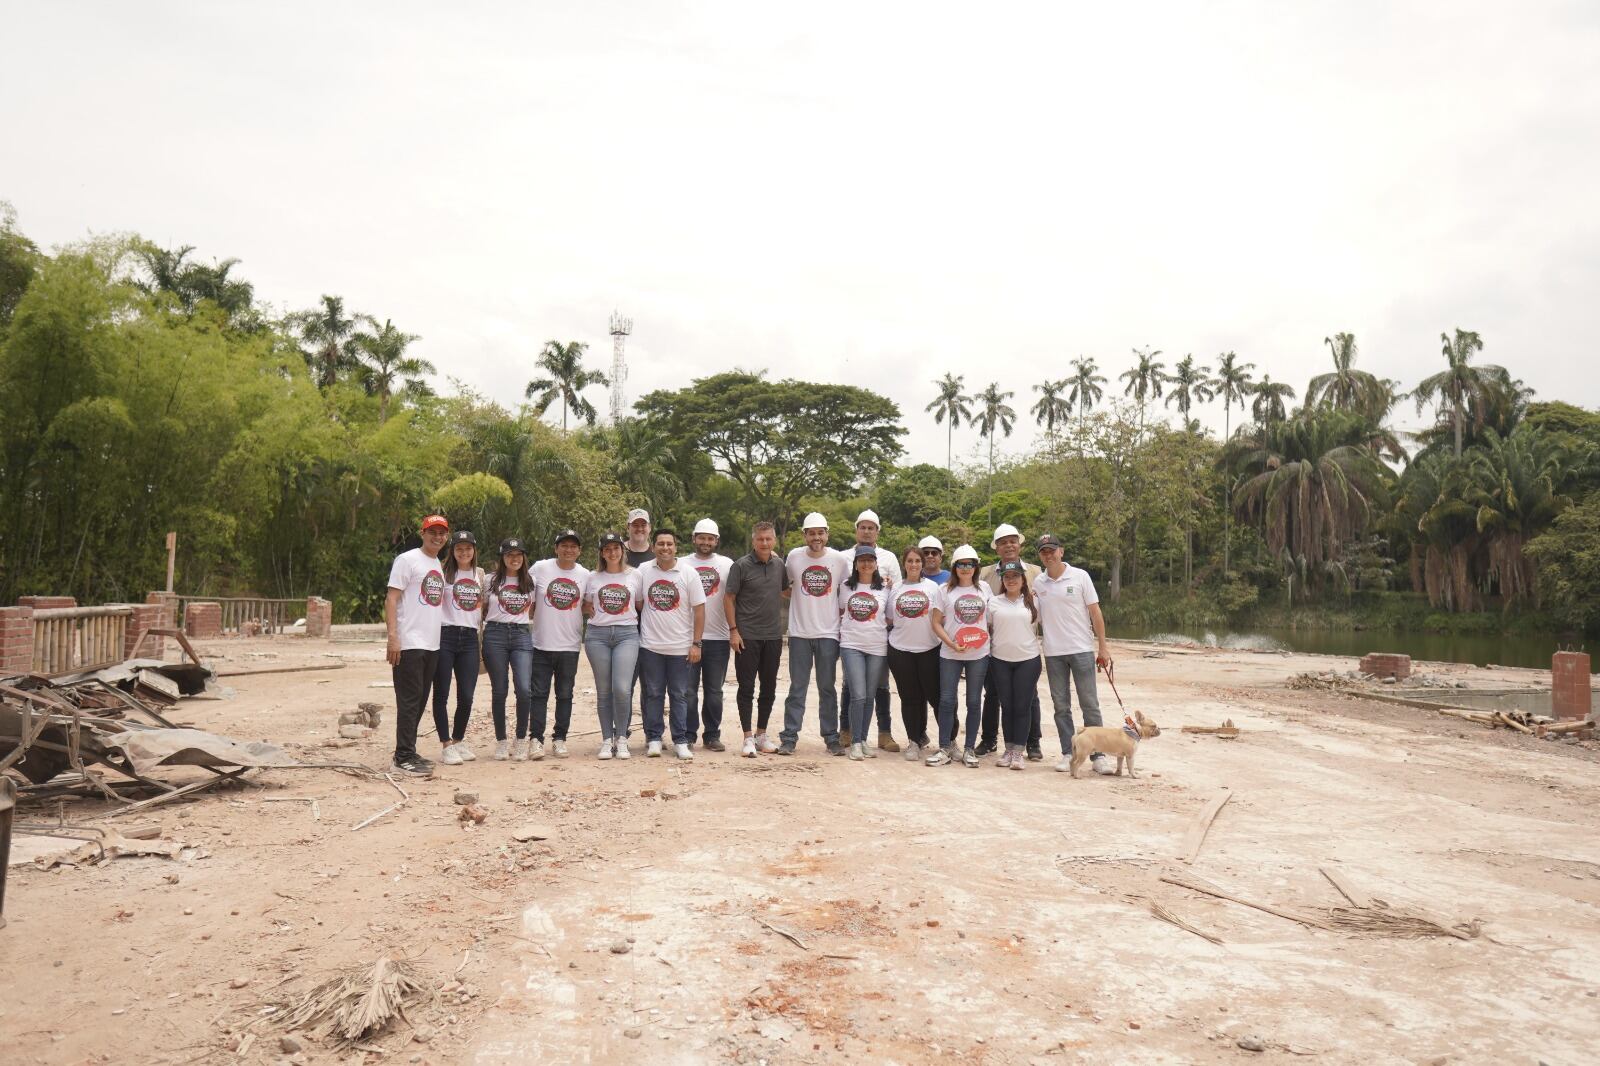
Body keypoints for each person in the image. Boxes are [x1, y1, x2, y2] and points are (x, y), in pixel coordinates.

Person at [1033, 532, 1116, 775]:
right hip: (1053, 652)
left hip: (1081, 649)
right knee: (1061, 707)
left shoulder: (1080, 576)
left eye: (1052, 550)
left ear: (1061, 551)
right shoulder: (1039, 583)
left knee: (1090, 704)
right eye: (1043, 551)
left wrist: (1103, 647)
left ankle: (1098, 756)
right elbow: (1034, 617)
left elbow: (1095, 613)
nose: (1048, 555)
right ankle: (1068, 753)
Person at [777, 512, 849, 757]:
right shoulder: (794, 558)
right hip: (799, 633)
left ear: (827, 533)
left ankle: (831, 738)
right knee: (797, 687)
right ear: (804, 535)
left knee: (827, 687)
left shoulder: (838, 560)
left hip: (829, 633)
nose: (816, 537)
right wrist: (799, 599)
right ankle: (789, 738)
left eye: (820, 532)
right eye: (811, 533)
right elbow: (784, 588)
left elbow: (849, 590)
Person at [385, 514, 450, 777]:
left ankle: (408, 751)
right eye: (432, 532)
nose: (437, 537)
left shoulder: (436, 563)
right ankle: (402, 758)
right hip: (409, 642)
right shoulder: (407, 559)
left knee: (420, 699)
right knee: (409, 700)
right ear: (422, 533)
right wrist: (393, 637)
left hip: (431, 644)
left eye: (442, 533)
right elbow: (391, 599)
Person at [636, 529, 706, 759]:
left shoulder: (688, 574)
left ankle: (680, 740)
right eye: (660, 544)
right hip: (650, 646)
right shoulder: (644, 571)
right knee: (653, 694)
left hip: (680, 647)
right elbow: (637, 602)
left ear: (676, 547)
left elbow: (699, 610)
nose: (665, 548)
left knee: (679, 695)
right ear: (653, 547)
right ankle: (654, 738)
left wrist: (696, 643)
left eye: (669, 544)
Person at [977, 523, 1044, 761]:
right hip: (996, 651)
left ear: (1020, 543)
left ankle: (1032, 742)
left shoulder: (1036, 573)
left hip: (1025, 651)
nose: (1009, 545)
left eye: (1012, 540)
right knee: (993, 695)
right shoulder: (984, 574)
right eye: (1003, 542)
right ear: (996, 548)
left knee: (1028, 698)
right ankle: (989, 740)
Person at [724, 521, 789, 757]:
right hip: (747, 637)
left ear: (774, 540)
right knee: (746, 688)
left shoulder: (779, 565)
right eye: (760, 539)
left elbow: (785, 590)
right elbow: (729, 598)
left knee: (769, 688)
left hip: (772, 636)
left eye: (768, 539)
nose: (764, 543)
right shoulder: (740, 566)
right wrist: (733, 630)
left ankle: (762, 735)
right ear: (753, 541)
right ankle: (748, 738)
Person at [840, 509, 900, 752]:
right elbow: (839, 606)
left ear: (877, 531)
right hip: (852, 639)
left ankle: (883, 733)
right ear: (856, 529)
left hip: (878, 639)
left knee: (879, 687)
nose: (866, 531)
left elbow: (895, 591)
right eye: (862, 527)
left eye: (871, 527)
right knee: (852, 688)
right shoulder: (842, 557)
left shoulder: (889, 558)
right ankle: (848, 731)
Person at [928, 544, 992, 767]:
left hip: (979, 654)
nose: (966, 568)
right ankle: (945, 747)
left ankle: (969, 750)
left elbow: (991, 620)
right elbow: (935, 623)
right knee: (946, 701)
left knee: (974, 702)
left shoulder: (984, 588)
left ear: (976, 566)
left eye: (970, 564)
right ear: (954, 567)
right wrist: (951, 644)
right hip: (950, 653)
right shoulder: (944, 590)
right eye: (961, 564)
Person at [528, 529, 589, 760]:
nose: (568, 549)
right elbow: (528, 598)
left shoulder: (585, 574)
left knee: (565, 694)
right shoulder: (540, 568)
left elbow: (587, 604)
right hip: (541, 643)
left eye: (573, 546)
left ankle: (560, 739)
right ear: (556, 548)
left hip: (570, 645)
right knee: (539, 694)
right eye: (564, 545)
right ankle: (536, 739)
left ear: (579, 550)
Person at [583, 532, 642, 760]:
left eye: (616, 548)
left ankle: (622, 738)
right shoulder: (593, 577)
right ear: (601, 553)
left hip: (627, 634)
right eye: (607, 549)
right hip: (598, 635)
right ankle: (607, 739)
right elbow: (586, 605)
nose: (612, 552)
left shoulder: (634, 575)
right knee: (604, 690)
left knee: (622, 688)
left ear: (622, 550)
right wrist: (594, 612)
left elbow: (640, 604)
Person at [432, 529, 484, 767]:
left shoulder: (480, 574)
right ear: (452, 551)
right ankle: (445, 744)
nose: (464, 552)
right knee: (441, 693)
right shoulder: (442, 573)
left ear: (474, 551)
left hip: (470, 638)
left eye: (468, 548)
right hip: (446, 635)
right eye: (459, 548)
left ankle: (458, 739)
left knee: (467, 695)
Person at [886, 543, 942, 761]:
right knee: (909, 698)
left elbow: (940, 618)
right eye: (910, 560)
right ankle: (914, 741)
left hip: (929, 648)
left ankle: (949, 741)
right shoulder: (896, 588)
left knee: (935, 697)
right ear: (904, 563)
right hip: (900, 650)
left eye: (917, 560)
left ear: (923, 563)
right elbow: (890, 618)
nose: (914, 564)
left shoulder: (932, 588)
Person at [483, 537, 536, 760]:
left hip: (522, 634)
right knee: (499, 690)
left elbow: (532, 611)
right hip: (495, 634)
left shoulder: (530, 582)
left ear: (523, 557)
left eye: (518, 555)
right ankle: (502, 740)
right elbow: (482, 608)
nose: (514, 559)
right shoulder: (490, 580)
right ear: (502, 558)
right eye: (509, 555)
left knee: (524, 689)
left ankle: (521, 739)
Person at [838, 546, 891, 762]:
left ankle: (863, 739)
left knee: (870, 696)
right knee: (858, 695)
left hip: (877, 646)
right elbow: (840, 611)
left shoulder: (885, 589)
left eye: (870, 560)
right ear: (856, 563)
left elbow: (889, 618)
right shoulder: (846, 587)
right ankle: (855, 743)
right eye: (862, 560)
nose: (866, 564)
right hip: (851, 645)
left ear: (876, 563)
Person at [685, 518, 734, 752]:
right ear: (694, 538)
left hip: (719, 638)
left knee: (714, 691)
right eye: (702, 537)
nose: (706, 542)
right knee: (688, 691)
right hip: (688, 638)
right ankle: (688, 734)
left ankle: (712, 735)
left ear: (716, 541)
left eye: (710, 538)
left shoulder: (727, 564)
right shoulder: (682, 564)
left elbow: (735, 597)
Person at [989, 560, 1043, 770]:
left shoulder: (1033, 602)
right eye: (1007, 577)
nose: (1011, 580)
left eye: (1015, 576)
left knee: (1022, 706)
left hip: (1028, 660)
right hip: (1000, 659)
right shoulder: (994, 602)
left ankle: (1019, 752)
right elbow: (986, 628)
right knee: (1007, 705)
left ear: (1023, 579)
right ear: (1002, 580)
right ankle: (1009, 748)